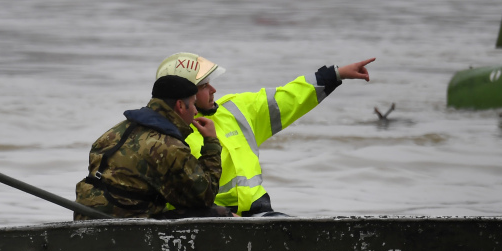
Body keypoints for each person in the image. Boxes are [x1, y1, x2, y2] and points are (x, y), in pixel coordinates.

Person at [155, 52, 375, 216]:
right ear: (181, 95)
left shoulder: (237, 109)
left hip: (257, 215)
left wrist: (337, 74)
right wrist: (217, 215)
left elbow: (289, 98)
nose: (213, 90)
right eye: (204, 86)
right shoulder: (164, 136)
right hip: (208, 220)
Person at [75, 74, 232, 220]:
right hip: (127, 223)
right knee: (220, 214)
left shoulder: (114, 132)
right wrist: (211, 142)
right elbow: (205, 197)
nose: (196, 111)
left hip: (85, 215)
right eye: (193, 103)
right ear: (180, 106)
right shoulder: (169, 146)